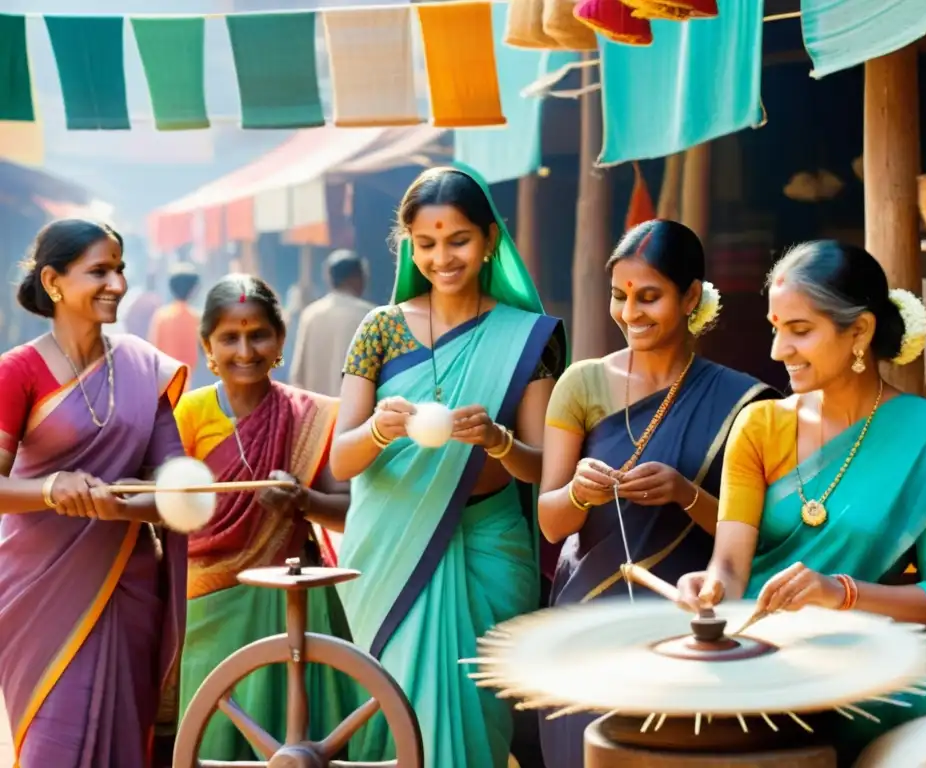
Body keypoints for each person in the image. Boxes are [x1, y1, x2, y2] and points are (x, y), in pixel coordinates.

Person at [675, 241, 926, 763]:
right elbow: (730, 564)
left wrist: (839, 593)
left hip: (876, 674)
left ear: (859, 331)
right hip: (766, 663)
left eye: (800, 330)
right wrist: (711, 587)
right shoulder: (761, 426)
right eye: (775, 327)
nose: (777, 350)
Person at [330, 165, 566, 768]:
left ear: (490, 240)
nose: (443, 257)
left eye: (458, 239)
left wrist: (498, 440)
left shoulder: (526, 340)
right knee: (404, 716)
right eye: (426, 243)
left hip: (489, 546)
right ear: (408, 244)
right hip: (392, 550)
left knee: (474, 725)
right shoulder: (379, 332)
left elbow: (542, 469)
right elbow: (341, 458)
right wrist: (380, 428)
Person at [536, 219, 776, 768]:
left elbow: (759, 538)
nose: (630, 314)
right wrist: (579, 492)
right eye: (619, 297)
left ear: (691, 296)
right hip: (589, 624)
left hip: (691, 622)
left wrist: (685, 494)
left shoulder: (745, 402)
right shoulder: (582, 383)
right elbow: (551, 523)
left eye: (650, 297)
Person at [0, 218, 189, 767]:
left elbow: (179, 483)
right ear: (54, 282)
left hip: (128, 582)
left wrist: (142, 497)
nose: (117, 284)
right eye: (99, 271)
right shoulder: (18, 372)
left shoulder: (141, 368)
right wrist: (52, 489)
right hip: (40, 593)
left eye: (121, 270)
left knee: (126, 741)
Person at [172, 274, 352, 760]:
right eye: (230, 337)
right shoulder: (184, 416)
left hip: (291, 600)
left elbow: (349, 512)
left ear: (280, 340)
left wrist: (303, 502)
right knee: (212, 736)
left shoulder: (310, 415)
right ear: (207, 344)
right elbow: (162, 511)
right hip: (205, 605)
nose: (245, 350)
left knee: (295, 736)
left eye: (259, 335)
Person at [290, 250, 374, 396]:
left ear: (328, 279)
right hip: (356, 414)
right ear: (356, 277)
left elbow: (297, 376)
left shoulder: (311, 314)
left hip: (317, 413)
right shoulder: (369, 315)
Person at [149, 261, 201, 386]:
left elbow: (153, 349)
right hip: (187, 381)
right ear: (193, 290)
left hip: (164, 380)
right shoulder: (197, 318)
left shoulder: (161, 316)